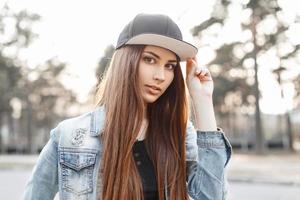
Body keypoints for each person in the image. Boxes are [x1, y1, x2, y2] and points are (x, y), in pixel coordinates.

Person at [22, 13, 232, 200]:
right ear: (126, 61)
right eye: (150, 60)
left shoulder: (178, 132)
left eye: (170, 66)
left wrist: (203, 101)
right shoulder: (69, 136)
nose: (160, 76)